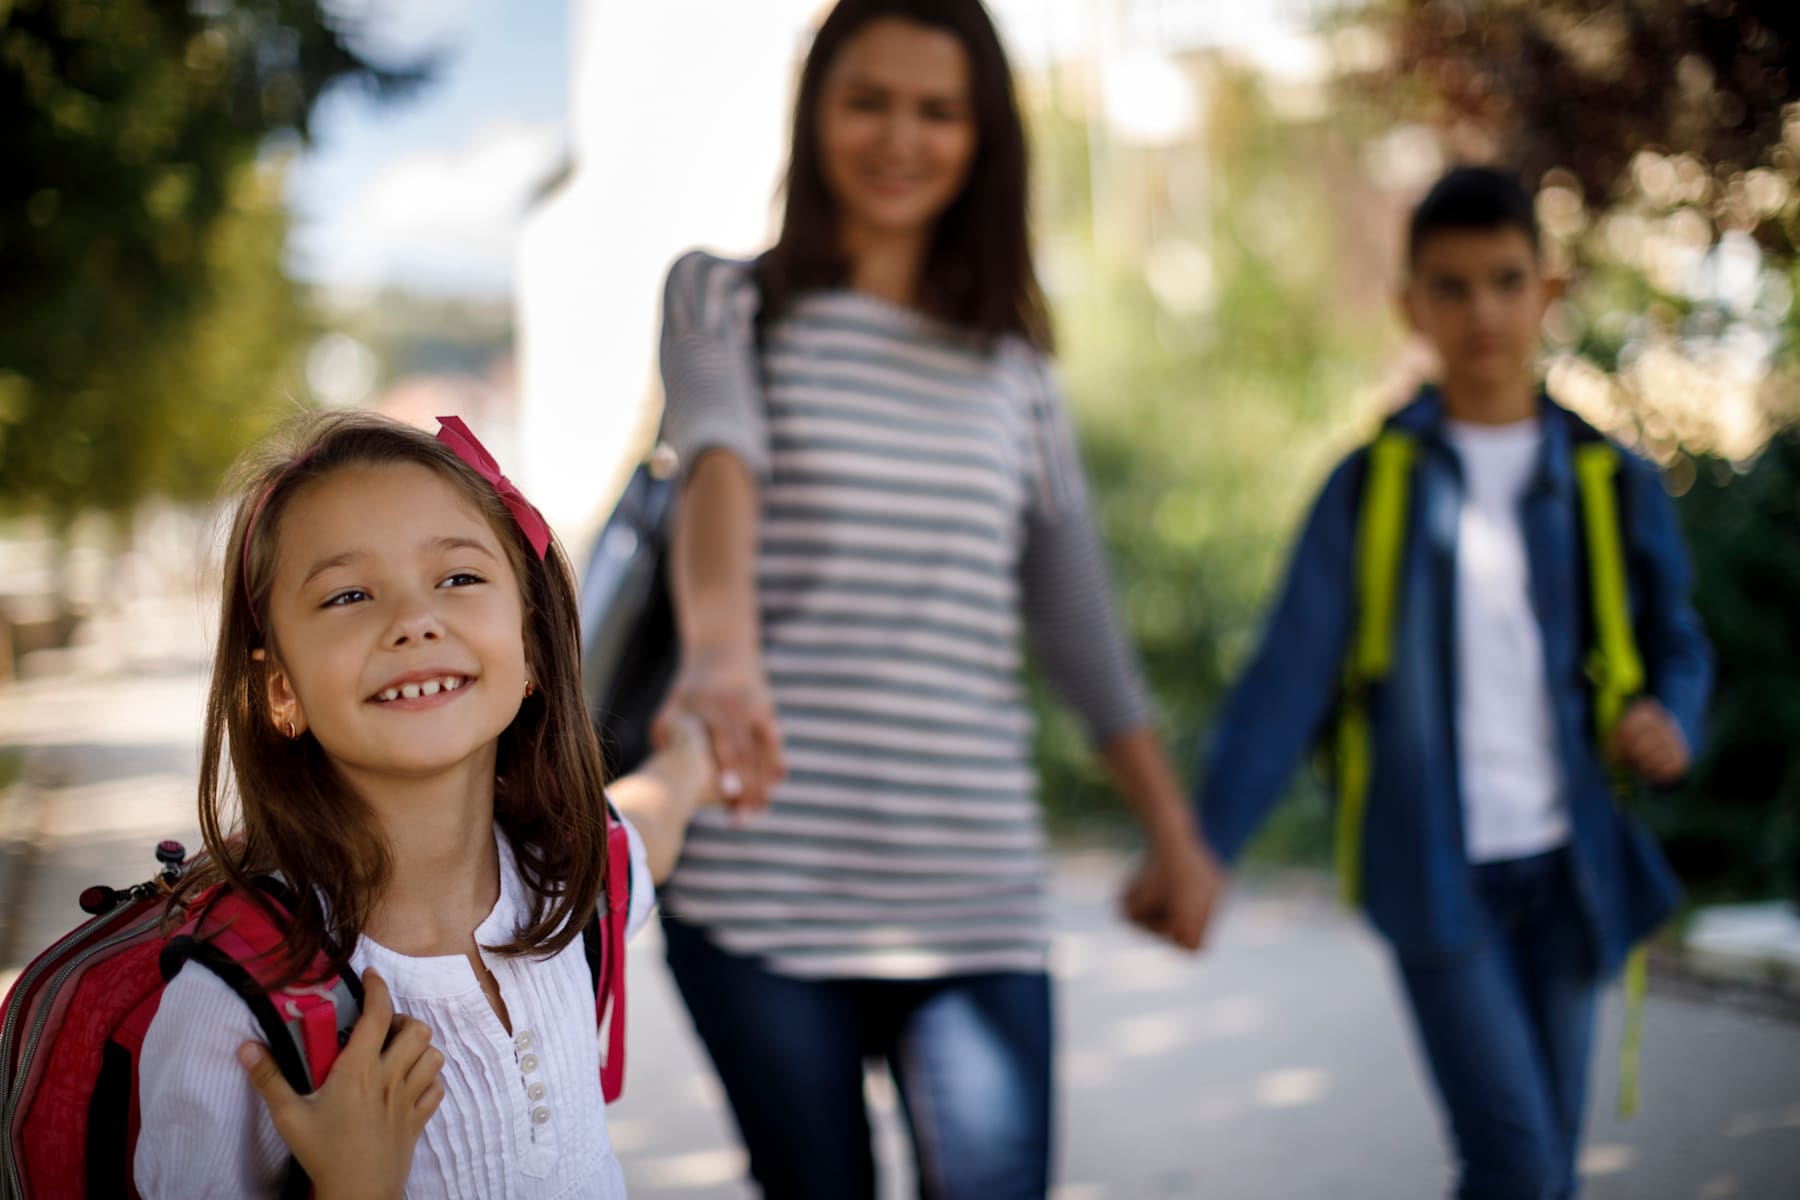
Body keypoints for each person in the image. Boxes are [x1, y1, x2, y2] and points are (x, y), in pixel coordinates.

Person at [652, 1, 1222, 1195]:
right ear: (814, 114)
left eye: (938, 110)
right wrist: (721, 652)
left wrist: (1172, 834)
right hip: (762, 875)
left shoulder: (1015, 368)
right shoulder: (723, 299)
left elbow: (1078, 619)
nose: (899, 137)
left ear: (982, 136)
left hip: (972, 889)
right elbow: (719, 458)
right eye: (867, 100)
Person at [1194, 165, 1712, 1198]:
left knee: (1543, 1167)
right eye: (1453, 286)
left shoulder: (1609, 480)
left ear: (1547, 293)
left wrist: (1676, 722)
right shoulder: (1369, 487)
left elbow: (1679, 645)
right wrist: (1201, 846)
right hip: (1434, 875)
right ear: (1410, 305)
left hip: (1573, 873)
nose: (1483, 310)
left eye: (1506, 281)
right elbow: (1286, 677)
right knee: (1516, 1163)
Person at [133, 410, 722, 1199]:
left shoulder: (571, 881)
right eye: (348, 595)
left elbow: (645, 821)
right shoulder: (236, 1010)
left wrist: (694, 753)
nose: (414, 621)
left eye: (458, 578)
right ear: (281, 690)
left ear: (532, 650)